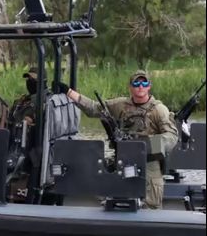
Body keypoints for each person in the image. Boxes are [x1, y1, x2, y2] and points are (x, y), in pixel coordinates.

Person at [61, 70, 179, 209]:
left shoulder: (159, 110)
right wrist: (69, 92)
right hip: (123, 159)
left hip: (149, 161)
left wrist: (144, 147)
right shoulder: (121, 105)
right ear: (130, 87)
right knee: (108, 188)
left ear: (149, 86)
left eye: (144, 83)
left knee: (151, 204)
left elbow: (171, 136)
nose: (140, 87)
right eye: (136, 83)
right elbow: (94, 108)